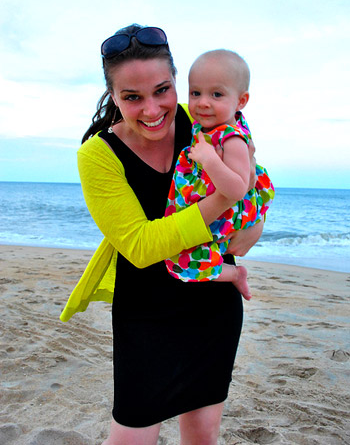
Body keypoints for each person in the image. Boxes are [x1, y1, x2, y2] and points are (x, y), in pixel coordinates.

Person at [60, 24, 264, 445]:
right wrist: (223, 204)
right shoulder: (98, 154)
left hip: (212, 303)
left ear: (176, 84)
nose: (152, 109)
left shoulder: (202, 121)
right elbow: (140, 246)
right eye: (132, 97)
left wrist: (258, 221)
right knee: (131, 437)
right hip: (146, 314)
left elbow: (253, 176)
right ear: (113, 97)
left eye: (163, 90)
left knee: (203, 437)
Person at [165, 50, 275, 300]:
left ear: (241, 101)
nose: (203, 102)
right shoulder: (207, 125)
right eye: (196, 93)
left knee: (178, 259)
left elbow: (238, 188)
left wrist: (210, 159)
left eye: (216, 94)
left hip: (227, 211)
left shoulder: (231, 138)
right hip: (213, 206)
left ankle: (234, 274)